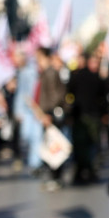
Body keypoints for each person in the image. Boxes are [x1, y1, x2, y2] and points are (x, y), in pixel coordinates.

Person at [66, 52, 109, 185]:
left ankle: (84, 171)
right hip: (85, 116)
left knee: (86, 145)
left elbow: (102, 98)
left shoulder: (82, 77)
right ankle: (86, 170)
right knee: (86, 145)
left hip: (88, 116)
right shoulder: (87, 77)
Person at [33, 46, 67, 191]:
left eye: (38, 57)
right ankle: (53, 177)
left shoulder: (50, 72)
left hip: (50, 115)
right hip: (47, 114)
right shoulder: (46, 72)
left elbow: (55, 96)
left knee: (54, 146)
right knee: (51, 145)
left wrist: (48, 113)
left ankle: (55, 177)